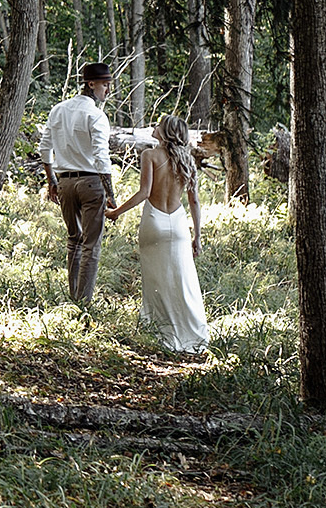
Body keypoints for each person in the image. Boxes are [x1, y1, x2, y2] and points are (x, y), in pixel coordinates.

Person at [108, 113, 209, 353]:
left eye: (158, 124)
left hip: (154, 222)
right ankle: (191, 335)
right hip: (179, 225)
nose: (154, 126)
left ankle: (161, 332)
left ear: (164, 132)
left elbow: (145, 193)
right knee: (183, 281)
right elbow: (194, 201)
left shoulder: (149, 155)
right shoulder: (187, 161)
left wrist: (116, 212)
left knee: (156, 281)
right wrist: (198, 236)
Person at [39, 62, 115, 303]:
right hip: (91, 183)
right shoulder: (96, 115)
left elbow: (45, 148)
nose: (108, 91)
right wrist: (110, 194)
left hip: (65, 183)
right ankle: (83, 302)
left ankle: (74, 297)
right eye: (105, 85)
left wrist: (51, 180)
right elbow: (102, 158)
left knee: (74, 241)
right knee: (91, 245)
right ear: (91, 84)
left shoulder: (58, 109)